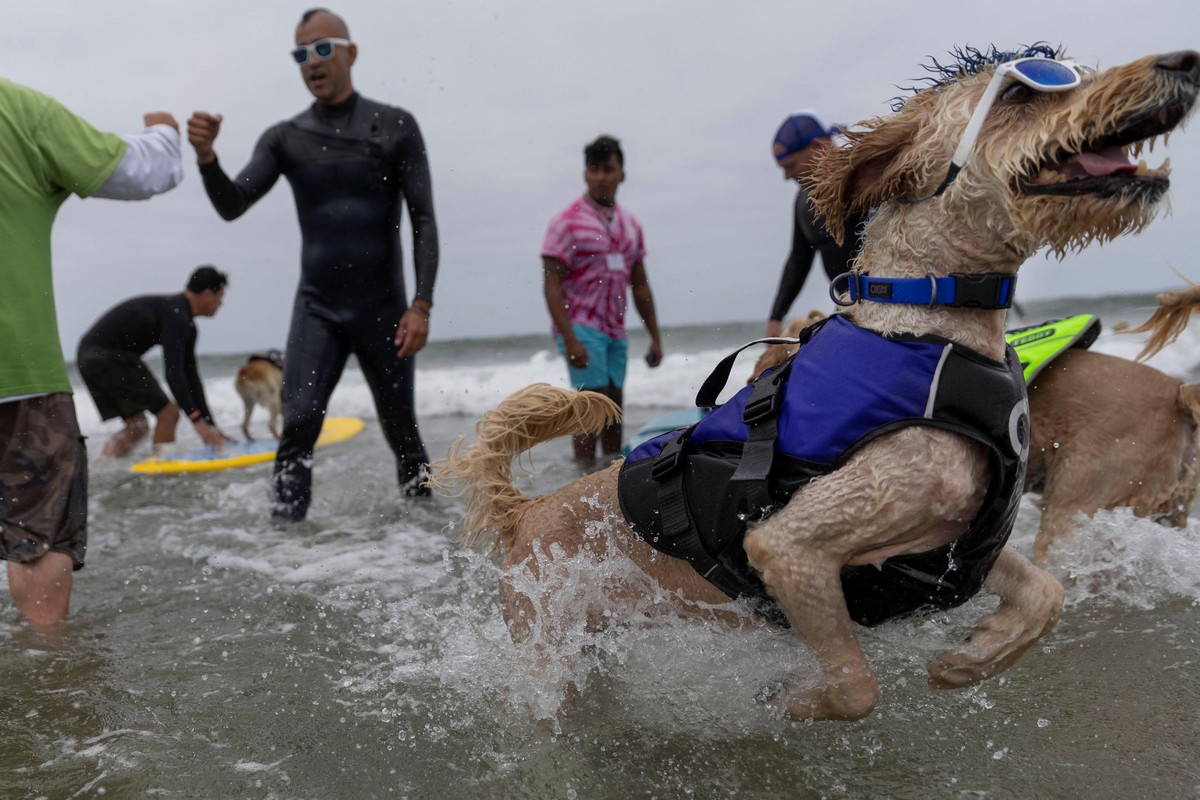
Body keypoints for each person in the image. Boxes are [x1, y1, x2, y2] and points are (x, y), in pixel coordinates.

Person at [186, 8, 440, 523]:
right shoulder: (286, 137)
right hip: (318, 308)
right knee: (298, 420)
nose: (312, 62)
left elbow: (424, 220)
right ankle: (283, 540)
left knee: (401, 429)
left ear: (351, 52)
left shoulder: (394, 125)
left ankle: (427, 535)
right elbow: (231, 204)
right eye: (301, 54)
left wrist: (422, 303)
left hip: (384, 307)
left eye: (323, 49)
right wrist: (208, 158)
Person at [0, 77, 183, 625]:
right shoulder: (14, 110)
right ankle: (48, 688)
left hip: (80, 360)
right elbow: (140, 170)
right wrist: (166, 135)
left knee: (138, 423)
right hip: (19, 374)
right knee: (35, 541)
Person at [541, 135, 663, 463]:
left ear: (622, 173)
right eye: (593, 169)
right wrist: (569, 338)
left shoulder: (630, 226)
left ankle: (610, 476)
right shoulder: (566, 222)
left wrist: (655, 336)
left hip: (614, 330)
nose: (600, 177)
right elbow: (551, 284)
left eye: (608, 169)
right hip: (580, 325)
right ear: (584, 174)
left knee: (614, 407)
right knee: (592, 406)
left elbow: (640, 285)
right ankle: (581, 480)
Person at [77, 266, 232, 458]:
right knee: (168, 414)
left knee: (137, 426)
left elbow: (191, 376)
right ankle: (163, 470)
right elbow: (174, 373)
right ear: (208, 294)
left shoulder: (182, 319)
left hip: (88, 357)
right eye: (220, 297)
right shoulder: (178, 317)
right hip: (106, 356)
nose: (220, 304)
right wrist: (198, 423)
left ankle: (103, 466)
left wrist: (210, 426)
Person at [766, 110, 865, 337]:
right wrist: (775, 317)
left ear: (818, 145)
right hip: (848, 307)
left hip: (892, 303)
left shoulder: (864, 179)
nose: (787, 176)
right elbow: (799, 259)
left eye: (790, 165)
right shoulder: (803, 201)